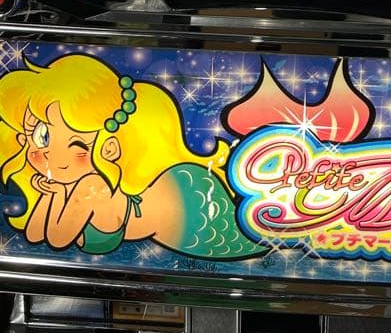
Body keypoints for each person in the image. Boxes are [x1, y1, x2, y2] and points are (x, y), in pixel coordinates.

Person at [0, 53, 263, 258]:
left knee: (248, 237)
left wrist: (56, 194)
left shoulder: (93, 185)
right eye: (41, 136)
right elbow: (34, 234)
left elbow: (58, 238)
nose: (43, 152)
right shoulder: (71, 183)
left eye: (75, 143)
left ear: (109, 148)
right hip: (179, 209)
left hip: (192, 205)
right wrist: (51, 193)